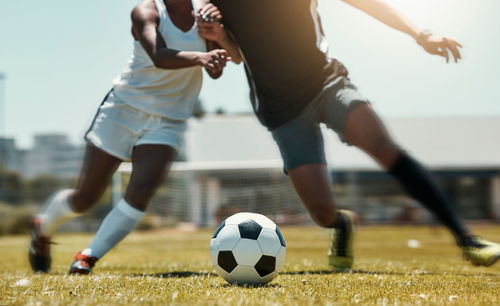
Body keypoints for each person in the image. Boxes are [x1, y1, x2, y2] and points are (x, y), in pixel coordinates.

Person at [199, 0, 500, 270]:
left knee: (383, 147)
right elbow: (237, 55)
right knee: (321, 213)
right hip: (282, 111)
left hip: (326, 84)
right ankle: (342, 224)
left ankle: (467, 239)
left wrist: (421, 34)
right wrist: (219, 37)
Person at [28, 0, 241, 274]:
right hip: (123, 109)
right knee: (85, 198)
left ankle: (87, 257)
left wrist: (219, 36)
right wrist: (201, 57)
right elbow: (159, 55)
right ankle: (42, 227)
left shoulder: (206, 11)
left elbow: (229, 61)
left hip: (168, 118)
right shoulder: (146, 11)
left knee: (141, 192)